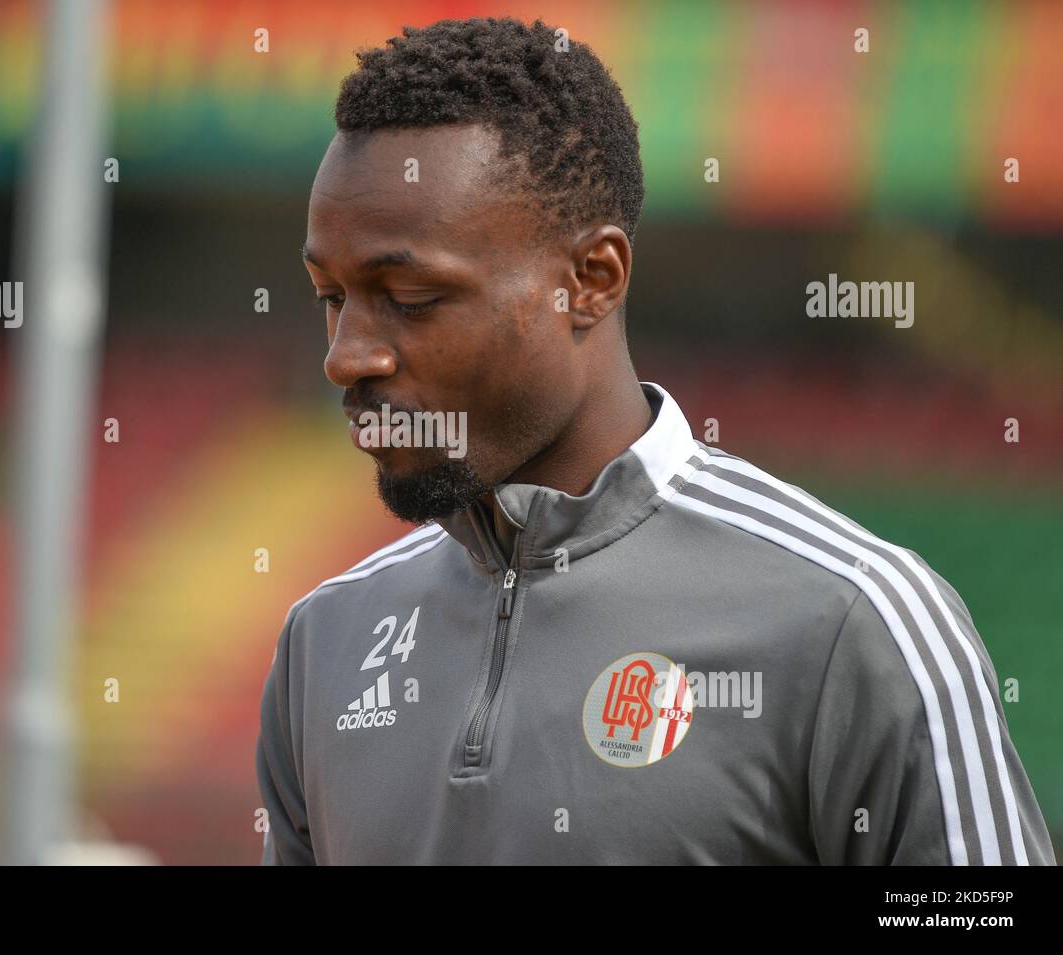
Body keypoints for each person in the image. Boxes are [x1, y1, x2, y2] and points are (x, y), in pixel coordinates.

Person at [255, 16, 1055, 865]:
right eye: (330, 297)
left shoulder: (855, 618)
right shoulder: (325, 641)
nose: (347, 357)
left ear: (592, 279)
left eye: (410, 296)